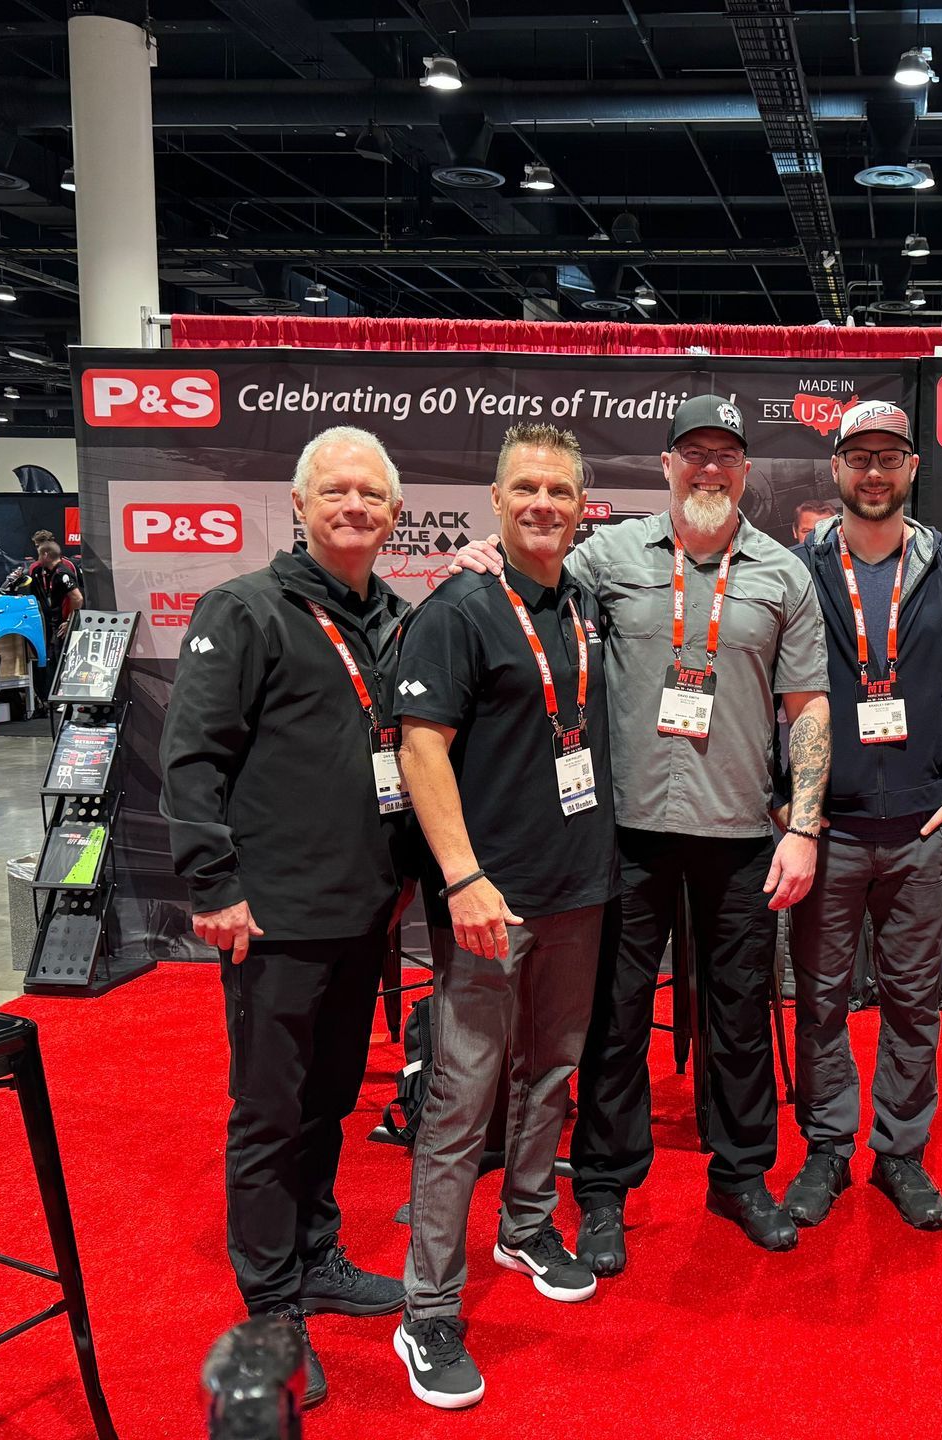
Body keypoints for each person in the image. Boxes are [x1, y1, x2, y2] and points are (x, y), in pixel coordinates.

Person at [462, 395, 831, 1264]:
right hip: (620, 833)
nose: (709, 469)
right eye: (693, 453)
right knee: (615, 1018)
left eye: (726, 456)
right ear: (665, 466)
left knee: (740, 1014)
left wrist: (805, 825)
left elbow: (808, 706)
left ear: (746, 471)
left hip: (741, 835)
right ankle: (602, 1189)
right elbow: (535, 597)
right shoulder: (604, 559)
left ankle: (741, 1175)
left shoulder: (783, 574)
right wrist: (490, 558)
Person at [160, 425, 412, 1408]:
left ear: (394, 514)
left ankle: (317, 1254)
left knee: (332, 1100)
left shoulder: (391, 618)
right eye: (337, 491)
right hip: (273, 919)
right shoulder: (245, 610)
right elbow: (191, 758)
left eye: (373, 495)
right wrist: (213, 884)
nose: (356, 507)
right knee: (270, 1113)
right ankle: (270, 1311)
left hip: (363, 915)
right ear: (300, 505)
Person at [390, 423, 615, 1409]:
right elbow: (419, 750)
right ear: (495, 499)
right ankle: (426, 1311)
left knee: (552, 1070)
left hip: (580, 883)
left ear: (580, 504)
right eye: (525, 488)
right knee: (460, 1096)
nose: (542, 505)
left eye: (559, 491)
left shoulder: (584, 602)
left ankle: (525, 1226)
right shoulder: (459, 607)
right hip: (490, 897)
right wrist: (462, 877)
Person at [780, 401, 942, 1231]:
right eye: (858, 458)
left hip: (917, 831)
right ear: (835, 470)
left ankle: (899, 1151)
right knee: (822, 1000)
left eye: (890, 459)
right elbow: (773, 693)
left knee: (913, 1001)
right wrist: (786, 800)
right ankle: (829, 1149)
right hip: (826, 830)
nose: (874, 473)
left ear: (911, 470)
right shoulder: (799, 569)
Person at [30, 538, 85, 669]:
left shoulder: (62, 573)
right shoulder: (48, 572)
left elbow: (78, 598)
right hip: (54, 622)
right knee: (54, 659)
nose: (38, 559)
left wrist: (69, 621)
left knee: (62, 661)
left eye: (39, 555)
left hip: (63, 624)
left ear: (46, 555)